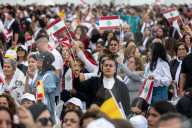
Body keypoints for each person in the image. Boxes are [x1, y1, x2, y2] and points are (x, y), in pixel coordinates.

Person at [27, 52, 61, 121]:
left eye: (40, 60)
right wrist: (31, 77)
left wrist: (33, 77)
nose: (38, 61)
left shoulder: (49, 75)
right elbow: (32, 88)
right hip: (39, 111)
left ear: (47, 62)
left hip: (47, 113)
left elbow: (41, 94)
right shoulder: (40, 74)